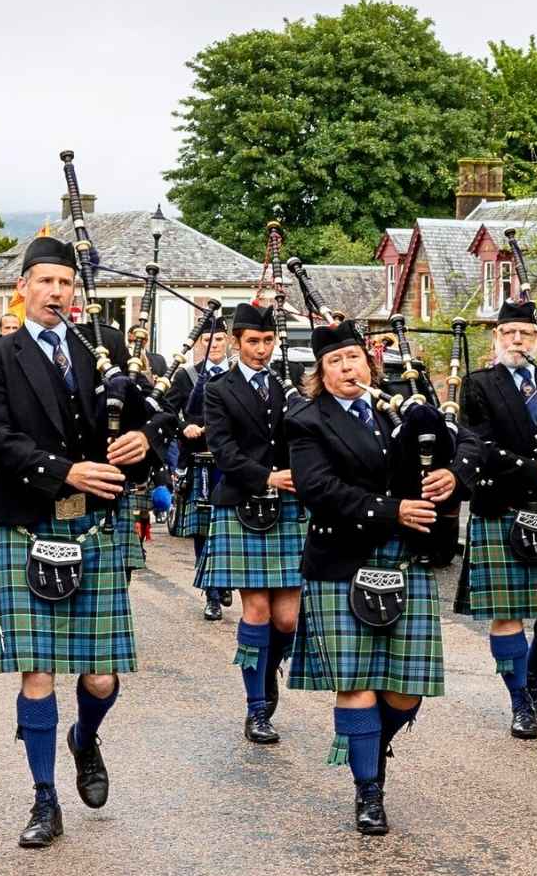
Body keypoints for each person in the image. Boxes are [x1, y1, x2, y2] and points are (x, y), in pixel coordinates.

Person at [0, 237, 173, 849]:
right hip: (31, 520)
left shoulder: (101, 346)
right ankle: (44, 797)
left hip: (95, 524)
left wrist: (146, 440)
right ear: (22, 288)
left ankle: (85, 737)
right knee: (37, 674)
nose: (56, 292)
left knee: (101, 677)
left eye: (65, 283)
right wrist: (66, 472)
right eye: (46, 281)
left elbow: (158, 411)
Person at [286, 319, 477, 836]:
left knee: (406, 692)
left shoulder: (401, 406)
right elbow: (318, 489)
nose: (347, 368)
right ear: (320, 374)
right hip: (341, 561)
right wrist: (393, 510)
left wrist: (454, 474)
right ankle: (368, 789)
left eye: (353, 357)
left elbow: (469, 443)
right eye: (335, 362)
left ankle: (371, 744)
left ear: (368, 363)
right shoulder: (307, 420)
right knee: (355, 685)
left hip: (406, 560)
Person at [458, 300, 537, 740]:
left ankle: (533, 667)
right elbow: (479, 446)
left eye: (526, 333)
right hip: (501, 508)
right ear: (496, 338)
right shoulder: (478, 384)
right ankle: (519, 702)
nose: (517, 340)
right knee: (507, 615)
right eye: (509, 332)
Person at [197, 303, 302, 746]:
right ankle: (256, 707)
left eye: (268, 341)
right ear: (236, 342)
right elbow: (222, 449)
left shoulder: (287, 386)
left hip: (289, 507)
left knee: (288, 620)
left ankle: (266, 670)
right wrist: (266, 477)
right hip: (242, 504)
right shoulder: (218, 390)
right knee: (257, 612)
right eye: (253, 342)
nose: (262, 349)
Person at [171, 321, 233, 620]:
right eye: (207, 340)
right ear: (199, 344)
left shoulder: (239, 375)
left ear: (228, 340)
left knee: (230, 526)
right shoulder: (186, 376)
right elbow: (166, 411)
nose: (214, 345)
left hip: (233, 462)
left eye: (219, 339)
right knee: (203, 530)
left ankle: (225, 579)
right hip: (200, 460)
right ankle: (212, 594)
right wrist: (184, 426)